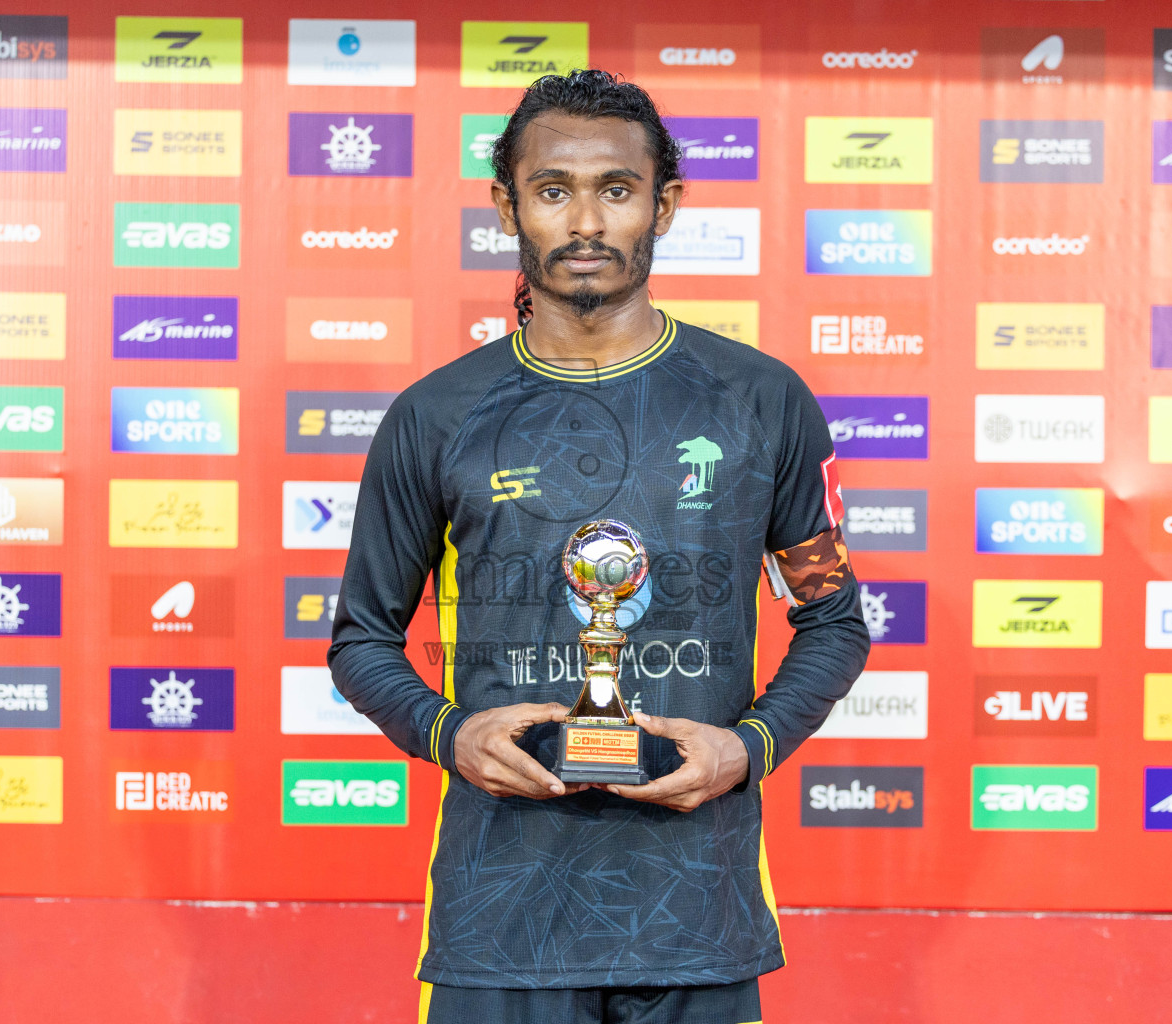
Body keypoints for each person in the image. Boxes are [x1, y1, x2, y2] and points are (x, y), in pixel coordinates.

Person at [329, 69, 871, 1024]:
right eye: (553, 190)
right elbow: (360, 640)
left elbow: (833, 619)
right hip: (499, 924)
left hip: (697, 916)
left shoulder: (760, 401)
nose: (586, 220)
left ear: (662, 205)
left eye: (615, 190)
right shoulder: (437, 417)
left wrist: (750, 747)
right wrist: (449, 732)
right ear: (507, 206)